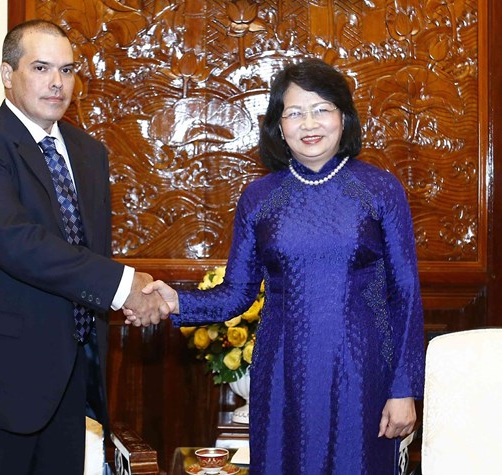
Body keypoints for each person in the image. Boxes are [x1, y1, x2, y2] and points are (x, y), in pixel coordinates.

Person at [128, 58, 425, 474]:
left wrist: (403, 388)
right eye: (295, 112)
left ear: (344, 116)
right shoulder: (259, 196)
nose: (310, 123)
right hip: (283, 374)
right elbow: (236, 293)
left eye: (322, 109)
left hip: (362, 375)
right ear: (278, 125)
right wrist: (176, 301)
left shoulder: (380, 189)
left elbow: (406, 296)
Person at [0, 19, 169, 475]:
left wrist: (131, 292)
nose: (57, 82)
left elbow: (87, 253)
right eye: (41, 67)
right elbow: (18, 242)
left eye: (68, 69)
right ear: (7, 73)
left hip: (67, 385)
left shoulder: (89, 152)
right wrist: (124, 287)